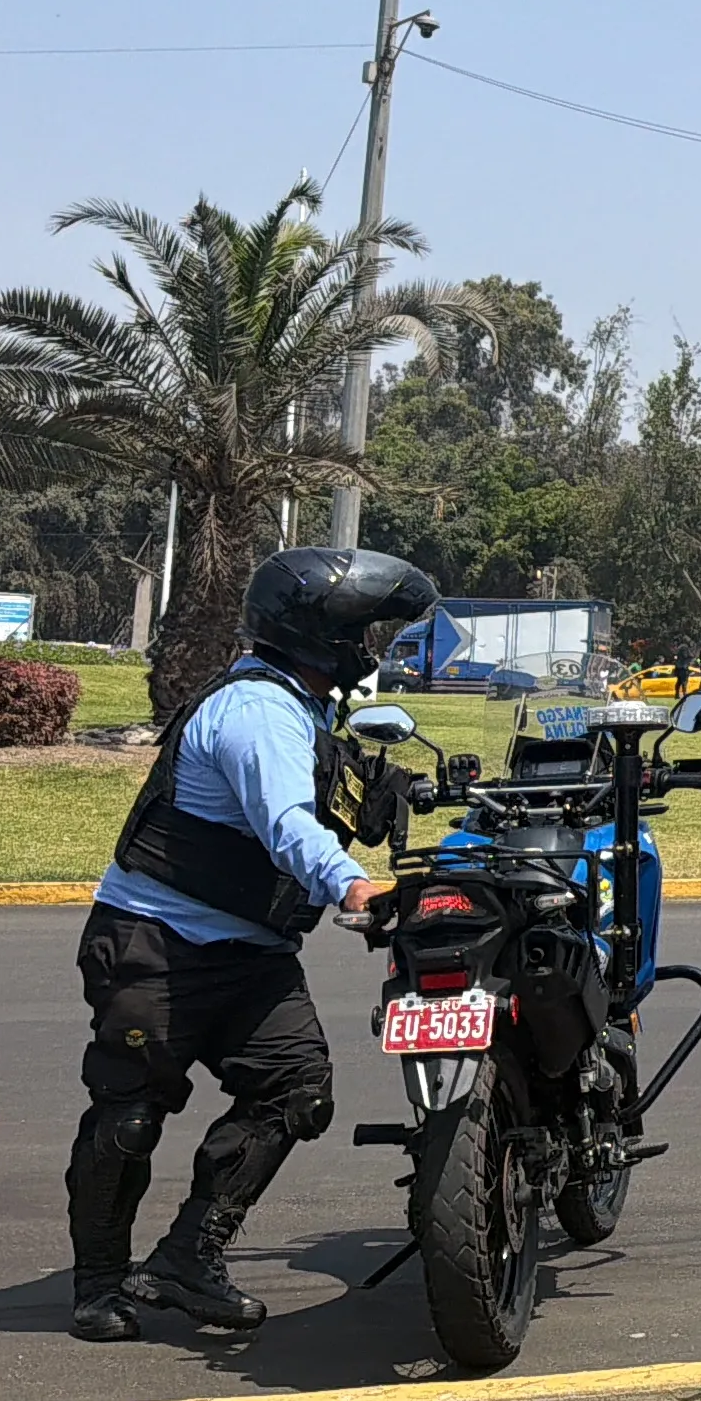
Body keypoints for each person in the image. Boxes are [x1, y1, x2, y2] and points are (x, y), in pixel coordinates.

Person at [67, 546, 437, 1343]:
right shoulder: (257, 711)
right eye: (362, 631)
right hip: (156, 942)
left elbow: (325, 799)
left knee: (294, 1089)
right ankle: (97, 1284)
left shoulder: (302, 710)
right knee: (129, 1114)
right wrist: (354, 885)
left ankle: (186, 1258)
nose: (370, 648)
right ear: (320, 634)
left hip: (248, 951)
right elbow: (286, 825)